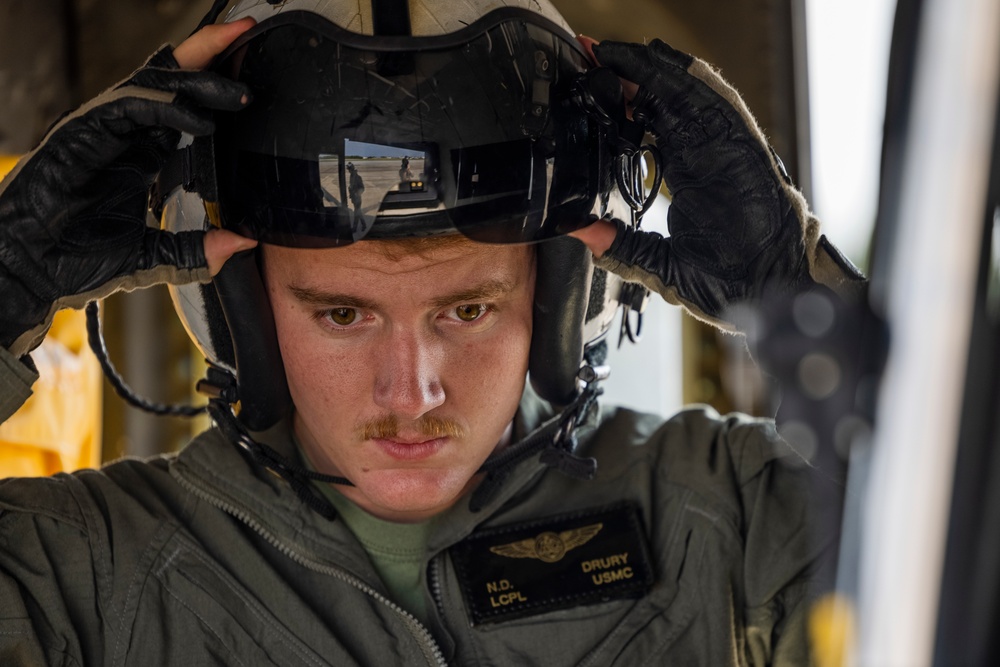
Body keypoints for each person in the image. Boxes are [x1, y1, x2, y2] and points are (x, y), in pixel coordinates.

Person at [0, 0, 865, 665]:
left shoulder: (731, 520)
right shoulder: (83, 571)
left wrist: (808, 310)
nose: (410, 391)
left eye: (468, 309)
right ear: (241, 310)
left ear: (564, 293)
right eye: (341, 315)